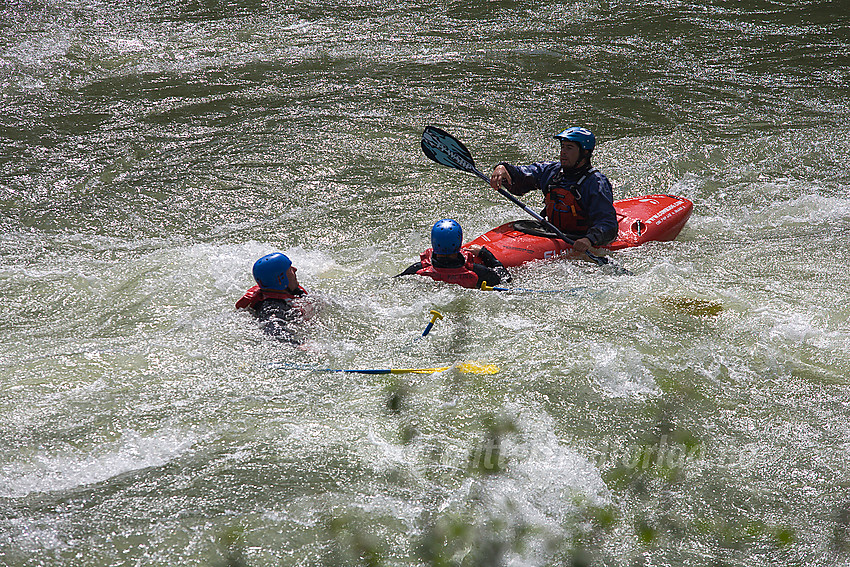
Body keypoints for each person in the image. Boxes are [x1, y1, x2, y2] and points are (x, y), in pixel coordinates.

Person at [489, 126, 618, 254]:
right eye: (562, 147)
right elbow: (523, 175)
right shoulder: (552, 172)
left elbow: (608, 224)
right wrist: (503, 169)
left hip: (579, 239)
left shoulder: (596, 183)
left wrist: (589, 240)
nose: (563, 152)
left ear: (584, 153)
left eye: (569, 148)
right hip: (553, 232)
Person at [395, 219, 511, 289]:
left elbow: (393, 282)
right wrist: (485, 254)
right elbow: (505, 279)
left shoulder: (417, 269)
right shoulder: (477, 271)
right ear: (459, 241)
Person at [236, 252, 311, 344]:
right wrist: (298, 344)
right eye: (290, 269)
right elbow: (274, 331)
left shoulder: (289, 291)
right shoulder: (272, 308)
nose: (295, 269)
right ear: (281, 279)